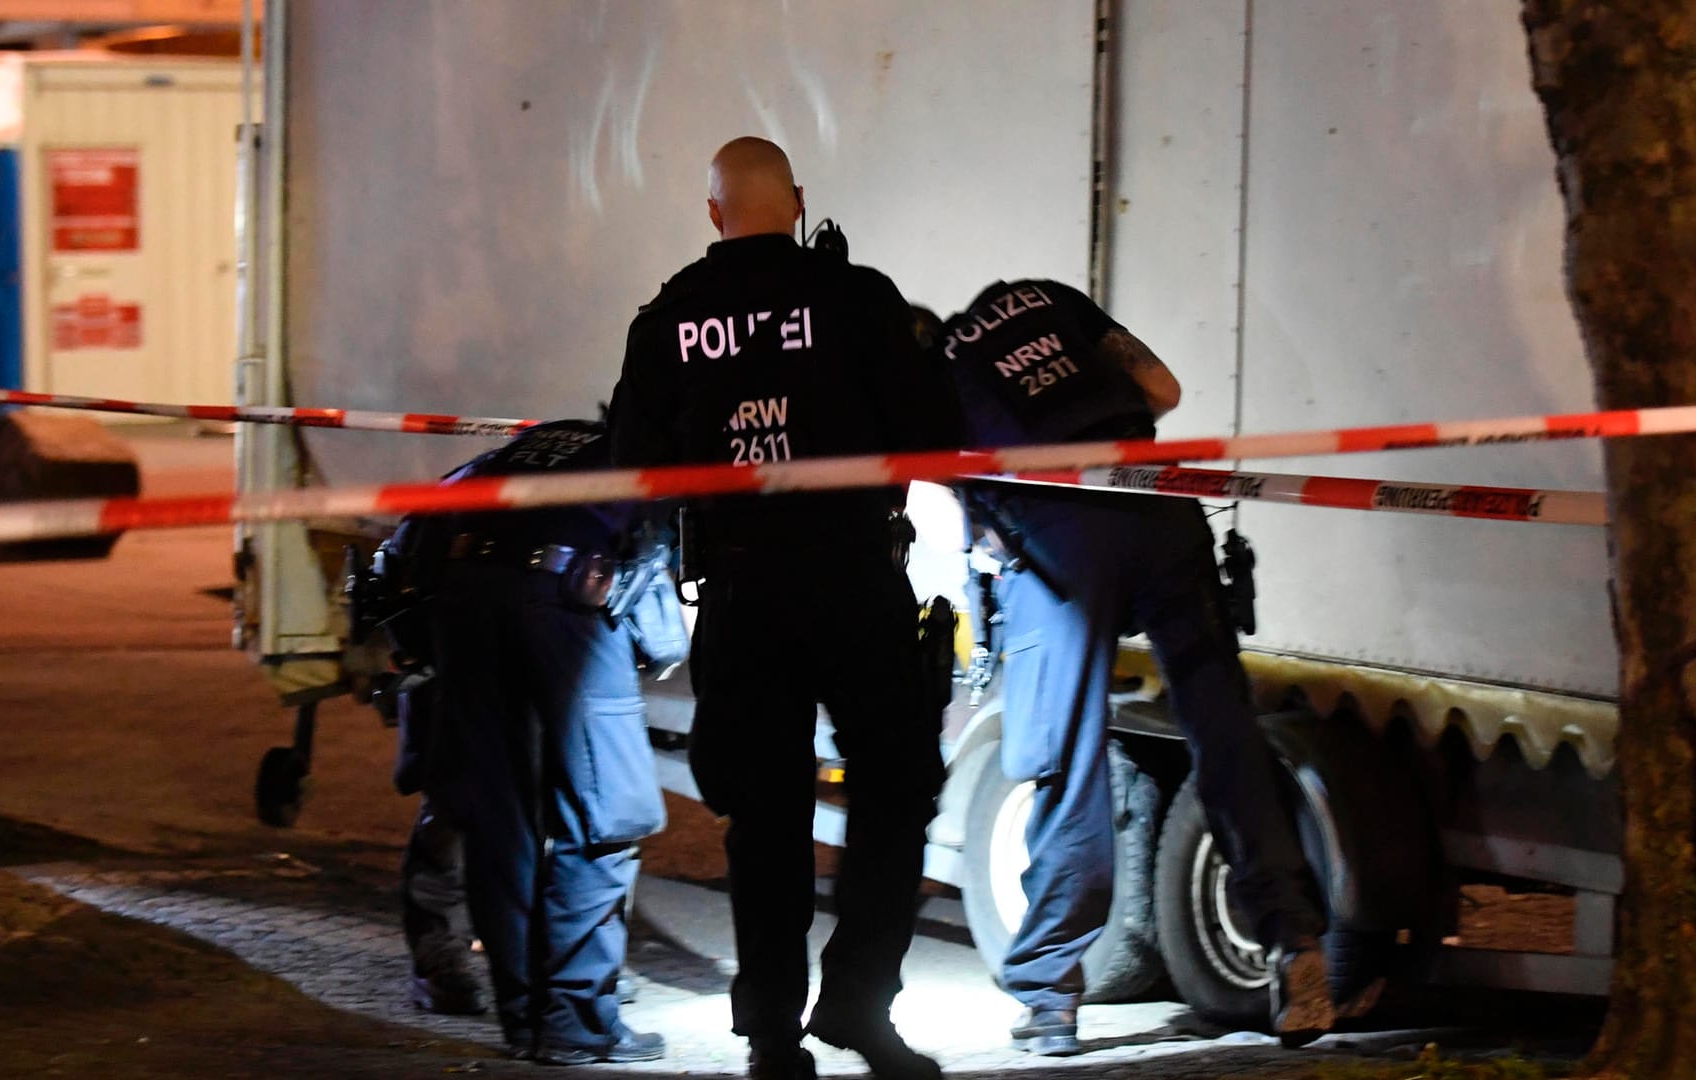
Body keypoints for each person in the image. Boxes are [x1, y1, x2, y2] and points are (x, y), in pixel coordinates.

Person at [607, 136, 959, 1080]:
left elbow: (630, 467)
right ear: (797, 202)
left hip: (743, 587)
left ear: (712, 212)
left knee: (764, 816)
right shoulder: (858, 299)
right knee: (893, 793)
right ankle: (857, 1008)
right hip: (855, 578)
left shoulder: (670, 317)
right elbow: (934, 438)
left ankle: (771, 1034)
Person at [930, 279, 1339, 1051]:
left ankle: (1051, 997)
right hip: (1157, 502)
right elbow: (1162, 387)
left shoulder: (939, 367)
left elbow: (959, 494)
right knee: (1224, 732)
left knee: (1066, 760)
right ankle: (1294, 945)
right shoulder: (1048, 299)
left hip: (1059, 542)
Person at [372, 418, 674, 1063]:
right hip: (566, 601)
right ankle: (574, 1022)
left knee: (497, 821)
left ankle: (525, 1018)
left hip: (460, 596)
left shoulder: (520, 450)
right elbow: (665, 629)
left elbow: (400, 557)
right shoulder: (651, 454)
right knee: (604, 817)